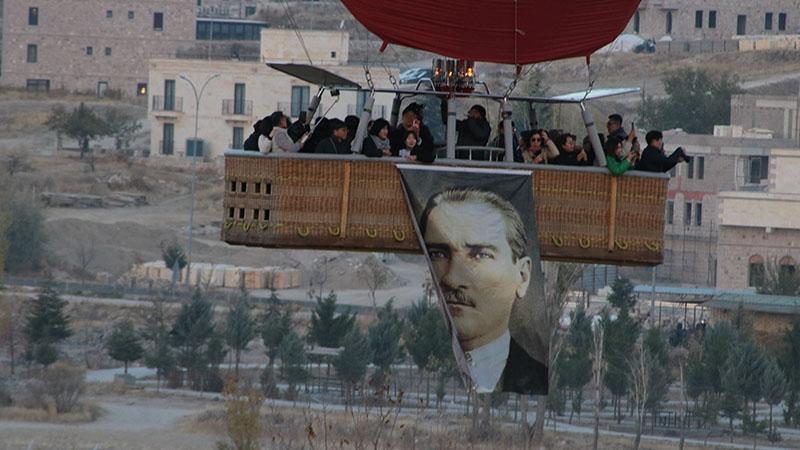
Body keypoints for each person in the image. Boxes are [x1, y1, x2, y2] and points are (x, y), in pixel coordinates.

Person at [420, 188, 547, 394]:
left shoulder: (535, 378)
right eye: (438, 254)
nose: (452, 279)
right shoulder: (419, 371)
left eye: (480, 255)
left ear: (522, 276)